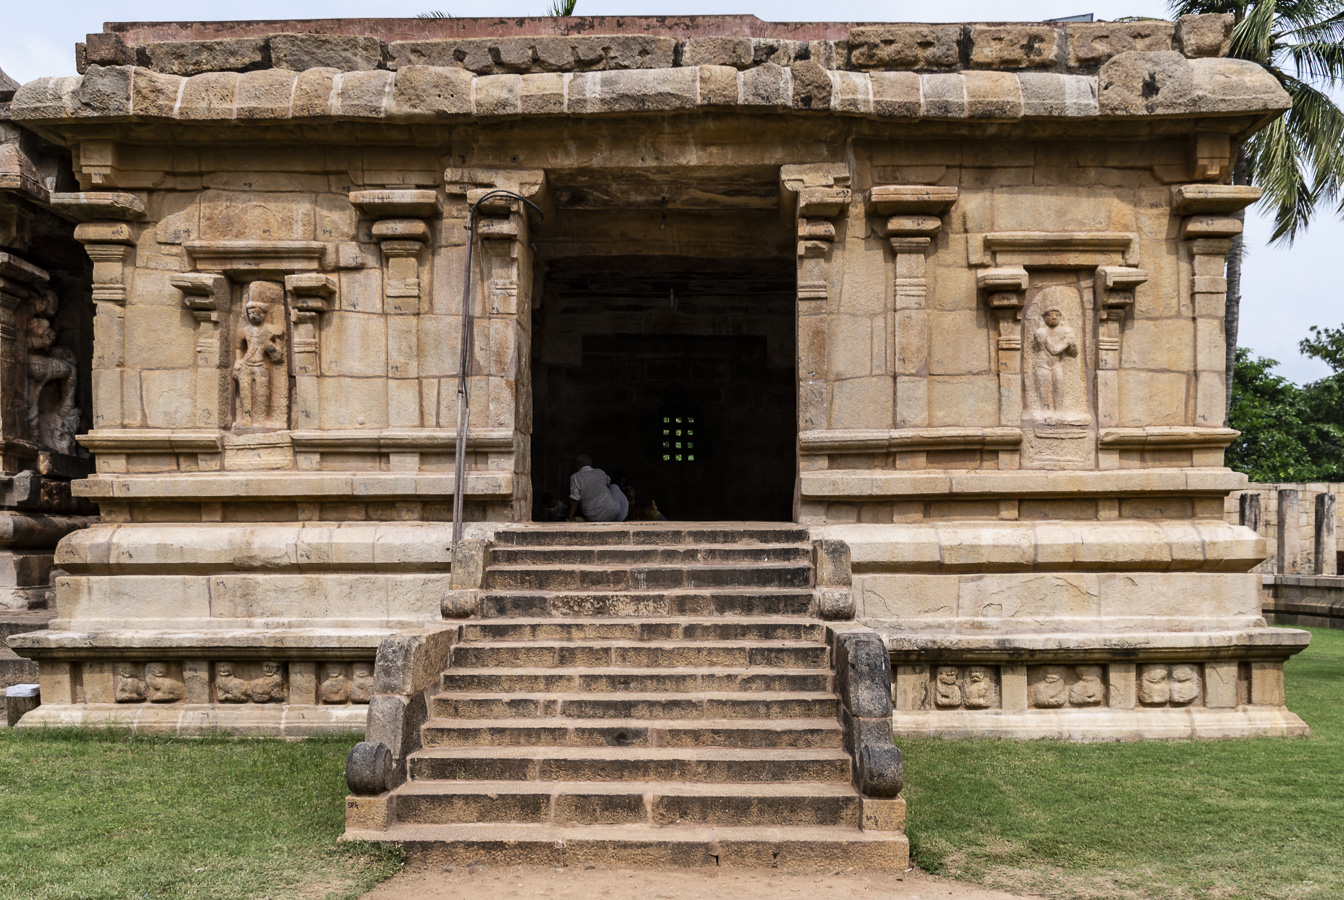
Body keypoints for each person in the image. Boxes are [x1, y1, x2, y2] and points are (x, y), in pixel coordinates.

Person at [568, 455, 621, 522]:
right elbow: (608, 481)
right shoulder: (600, 472)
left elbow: (575, 500)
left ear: (578, 465)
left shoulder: (575, 477)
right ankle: (623, 518)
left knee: (613, 487)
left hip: (594, 518)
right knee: (614, 487)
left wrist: (570, 518)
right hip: (613, 513)